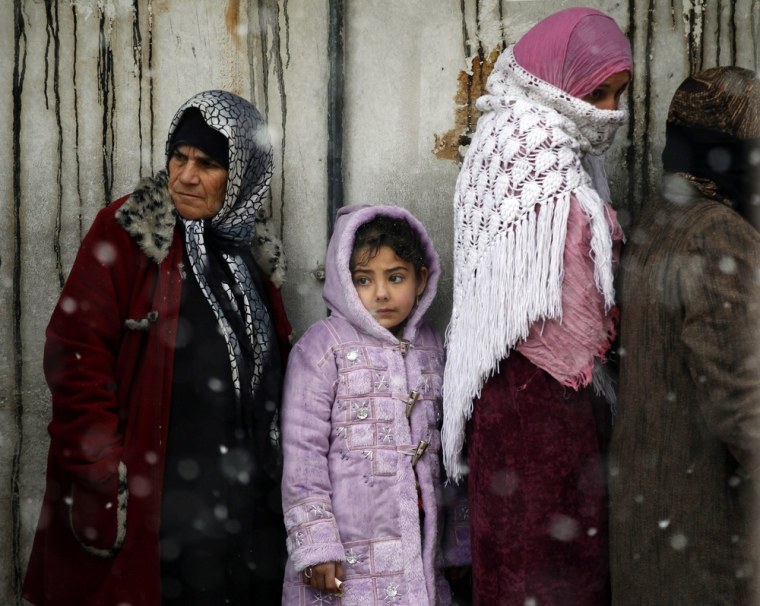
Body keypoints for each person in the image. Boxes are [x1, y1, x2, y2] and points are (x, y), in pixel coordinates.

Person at [23, 90, 292, 606]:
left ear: (241, 175)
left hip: (241, 506)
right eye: (180, 157)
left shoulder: (250, 252)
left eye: (208, 163)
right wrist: (105, 468)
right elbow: (74, 351)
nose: (186, 176)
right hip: (157, 500)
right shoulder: (131, 230)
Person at [441, 7, 632, 605]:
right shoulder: (528, 143)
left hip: (548, 403)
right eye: (596, 92)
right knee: (537, 568)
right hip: (528, 397)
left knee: (541, 565)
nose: (607, 111)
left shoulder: (557, 143)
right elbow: (561, 282)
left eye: (617, 94)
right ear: (558, 81)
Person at [608, 67, 760, 605]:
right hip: (707, 531)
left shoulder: (658, 216)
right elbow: (740, 399)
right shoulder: (721, 235)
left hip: (652, 519)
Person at [280, 205, 470, 605]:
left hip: (421, 549)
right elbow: (303, 455)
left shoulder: (434, 347)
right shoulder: (322, 347)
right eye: (364, 280)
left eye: (395, 277)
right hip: (344, 556)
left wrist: (458, 544)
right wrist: (316, 546)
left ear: (422, 280)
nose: (380, 294)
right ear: (344, 284)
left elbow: (453, 455)